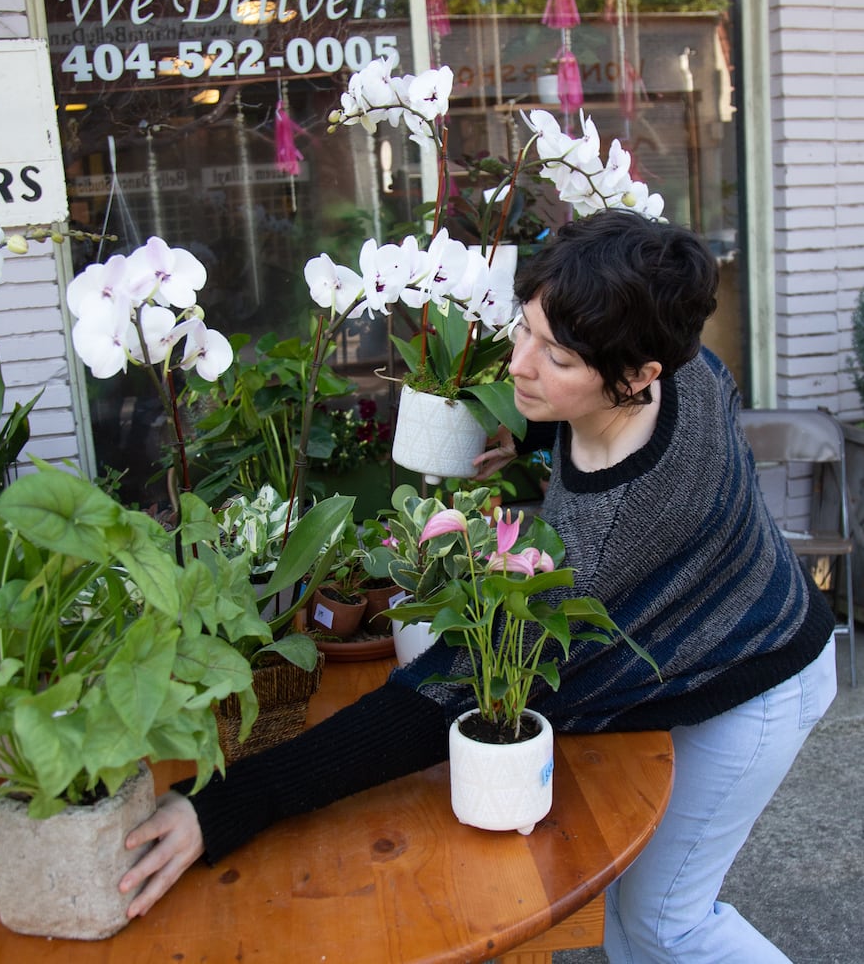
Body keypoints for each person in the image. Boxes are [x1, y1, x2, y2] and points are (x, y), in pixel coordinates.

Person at [118, 209, 837, 963]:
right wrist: (528, 428)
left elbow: (438, 699)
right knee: (631, 928)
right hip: (718, 626)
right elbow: (599, 399)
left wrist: (226, 807)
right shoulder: (688, 364)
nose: (520, 364)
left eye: (555, 357)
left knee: (666, 924)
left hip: (760, 679)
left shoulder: (612, 535)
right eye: (525, 329)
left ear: (637, 374)